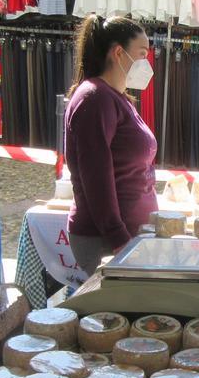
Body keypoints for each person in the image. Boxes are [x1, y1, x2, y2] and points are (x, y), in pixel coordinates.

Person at [63, 14, 158, 276]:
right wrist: (119, 239)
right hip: (106, 241)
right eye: (141, 54)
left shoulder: (117, 98)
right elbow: (96, 177)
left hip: (127, 237)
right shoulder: (95, 98)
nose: (146, 62)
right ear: (118, 53)